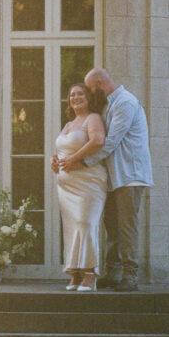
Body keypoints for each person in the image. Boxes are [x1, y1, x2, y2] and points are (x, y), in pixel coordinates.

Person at [64, 67, 153, 292]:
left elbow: (110, 142)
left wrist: (81, 163)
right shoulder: (109, 105)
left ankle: (130, 276)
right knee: (112, 227)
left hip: (129, 175)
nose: (91, 96)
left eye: (92, 90)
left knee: (126, 227)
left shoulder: (125, 103)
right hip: (113, 177)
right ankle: (113, 273)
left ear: (101, 83)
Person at [51, 83, 108, 292]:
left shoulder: (93, 118)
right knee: (72, 226)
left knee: (86, 222)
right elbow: (62, 149)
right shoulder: (68, 124)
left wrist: (74, 158)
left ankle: (90, 273)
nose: (76, 98)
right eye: (72, 95)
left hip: (89, 181)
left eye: (80, 94)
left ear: (88, 98)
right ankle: (75, 272)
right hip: (66, 184)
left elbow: (98, 140)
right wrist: (54, 160)